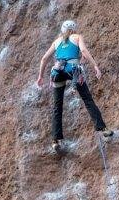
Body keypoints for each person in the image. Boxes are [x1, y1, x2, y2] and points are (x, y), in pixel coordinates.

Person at [36, 20, 112, 153]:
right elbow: (83, 50)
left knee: (57, 106)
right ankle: (103, 130)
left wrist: (40, 76)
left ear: (62, 30)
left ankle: (56, 140)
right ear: (74, 29)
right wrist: (95, 66)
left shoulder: (57, 41)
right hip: (73, 70)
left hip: (57, 71)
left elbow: (44, 59)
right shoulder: (77, 37)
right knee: (87, 99)